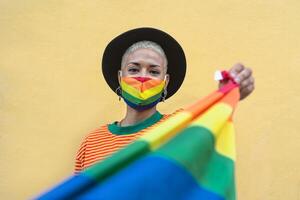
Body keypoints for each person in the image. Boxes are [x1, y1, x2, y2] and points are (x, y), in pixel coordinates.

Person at [75, 27, 255, 173]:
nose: (143, 77)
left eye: (154, 72)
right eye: (133, 69)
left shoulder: (180, 128)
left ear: (165, 81)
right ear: (120, 76)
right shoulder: (91, 143)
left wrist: (227, 94)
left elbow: (208, 144)